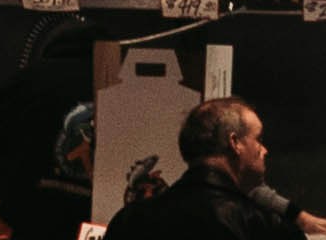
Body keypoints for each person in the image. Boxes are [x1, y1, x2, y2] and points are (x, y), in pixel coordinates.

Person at [116, 100, 308, 240]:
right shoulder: (266, 228)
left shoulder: (129, 221)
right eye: (258, 139)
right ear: (235, 143)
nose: (264, 150)